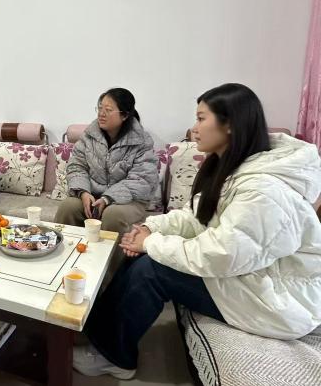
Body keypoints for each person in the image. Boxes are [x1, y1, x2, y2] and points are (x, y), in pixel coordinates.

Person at [75, 83, 321, 379]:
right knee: (140, 255)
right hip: (249, 275)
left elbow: (223, 254)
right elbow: (196, 217)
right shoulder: (234, 167)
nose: (194, 128)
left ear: (230, 124)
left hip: (275, 298)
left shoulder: (264, 190)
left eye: (201, 118)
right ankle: (96, 330)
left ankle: (116, 358)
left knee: (152, 269)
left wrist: (151, 243)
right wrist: (150, 227)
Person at [55, 88, 158, 234]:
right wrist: (83, 192)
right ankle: (66, 247)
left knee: (113, 215)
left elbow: (142, 179)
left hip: (129, 200)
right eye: (100, 108)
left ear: (124, 115)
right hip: (93, 195)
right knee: (68, 206)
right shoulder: (89, 136)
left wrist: (108, 198)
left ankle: (113, 251)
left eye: (108, 110)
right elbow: (76, 166)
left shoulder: (142, 141)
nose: (101, 113)